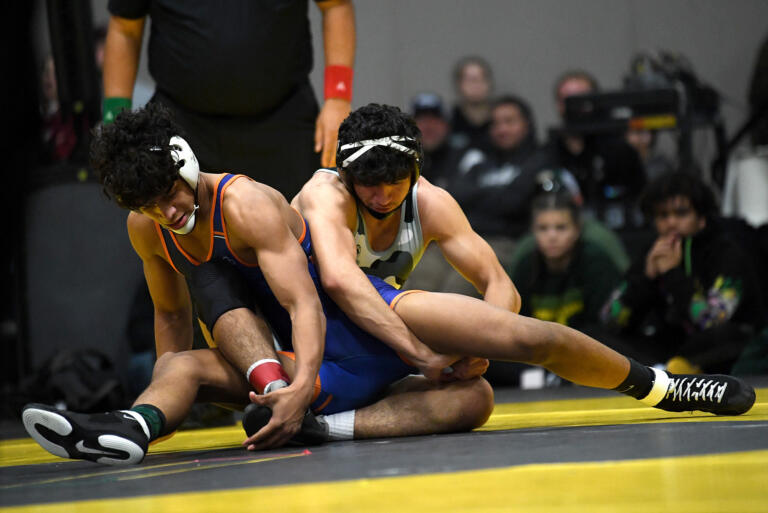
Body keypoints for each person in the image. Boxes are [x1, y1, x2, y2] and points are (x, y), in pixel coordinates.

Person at [22, 105, 756, 467]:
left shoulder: (421, 202)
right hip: (321, 332)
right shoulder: (320, 196)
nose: (378, 197)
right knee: (181, 361)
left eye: (391, 185)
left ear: (412, 175)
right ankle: (131, 428)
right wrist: (383, 362)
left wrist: (462, 353)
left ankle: (661, 386)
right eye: (366, 184)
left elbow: (498, 284)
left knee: (502, 361)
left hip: (362, 329)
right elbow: (327, 282)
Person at [102, 0, 355, 200]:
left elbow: (336, 5)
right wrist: (115, 123)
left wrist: (338, 99)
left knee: (303, 244)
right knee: (177, 249)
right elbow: (125, 29)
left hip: (283, 121)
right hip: (182, 125)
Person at [601, 171, 768, 374]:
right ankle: (660, 371)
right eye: (663, 216)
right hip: (669, 346)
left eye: (681, 213)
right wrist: (645, 279)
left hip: (719, 348)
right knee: (596, 338)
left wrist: (673, 274)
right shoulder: (654, 251)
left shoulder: (726, 251)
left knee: (728, 336)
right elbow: (610, 319)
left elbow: (712, 321)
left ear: (701, 217)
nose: (671, 223)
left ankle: (669, 371)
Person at [544, 70, 646, 229]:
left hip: (618, 226)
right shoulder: (550, 151)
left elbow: (637, 195)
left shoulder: (619, 149)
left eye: (581, 99)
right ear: (558, 105)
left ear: (595, 100)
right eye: (568, 100)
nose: (575, 107)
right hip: (563, 228)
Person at [449, 56, 494, 152]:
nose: (476, 84)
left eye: (481, 78)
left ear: (489, 83)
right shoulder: (449, 119)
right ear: (458, 84)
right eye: (470, 79)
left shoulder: (500, 120)